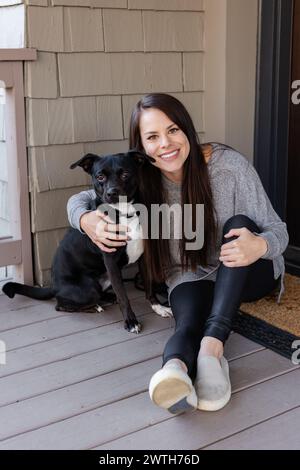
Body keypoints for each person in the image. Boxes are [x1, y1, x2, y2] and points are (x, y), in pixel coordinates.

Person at [67, 93, 289, 415]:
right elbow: (82, 198)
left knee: (238, 224)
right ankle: (174, 372)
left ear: (186, 129)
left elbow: (278, 230)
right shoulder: (138, 177)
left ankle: (212, 351)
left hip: (250, 271)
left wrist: (260, 245)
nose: (166, 144)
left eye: (172, 130)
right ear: (141, 149)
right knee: (185, 325)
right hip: (190, 274)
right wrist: (86, 220)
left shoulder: (228, 166)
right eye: (152, 137)